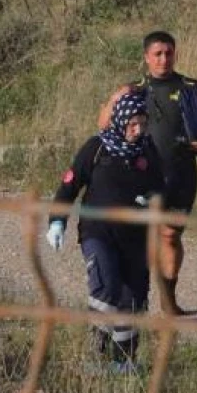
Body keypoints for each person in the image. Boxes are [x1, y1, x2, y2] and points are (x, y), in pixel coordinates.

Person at [97, 31, 197, 316]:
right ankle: (131, 299)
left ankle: (169, 299)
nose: (163, 59)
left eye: (168, 53)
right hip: (139, 175)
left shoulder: (192, 87)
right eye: (157, 54)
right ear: (146, 57)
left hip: (181, 174)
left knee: (170, 235)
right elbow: (103, 124)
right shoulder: (133, 91)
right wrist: (113, 98)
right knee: (138, 237)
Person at [48, 91, 164, 372]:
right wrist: (57, 221)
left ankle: (123, 362)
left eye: (142, 124)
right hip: (97, 233)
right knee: (105, 285)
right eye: (132, 124)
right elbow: (69, 185)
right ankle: (96, 354)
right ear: (121, 121)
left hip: (135, 238)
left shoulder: (148, 151)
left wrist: (152, 198)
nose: (138, 130)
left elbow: (161, 186)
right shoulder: (97, 148)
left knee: (133, 300)